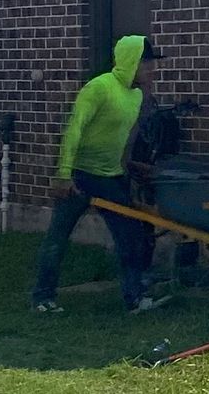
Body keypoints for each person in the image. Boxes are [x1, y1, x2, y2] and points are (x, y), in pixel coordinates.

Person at [31, 35, 165, 312]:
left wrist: (130, 165)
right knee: (58, 236)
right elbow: (74, 130)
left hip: (111, 176)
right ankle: (42, 299)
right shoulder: (99, 88)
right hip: (80, 175)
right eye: (147, 63)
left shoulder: (137, 95)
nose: (152, 69)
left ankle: (135, 298)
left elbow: (125, 136)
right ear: (131, 62)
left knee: (129, 234)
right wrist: (64, 174)